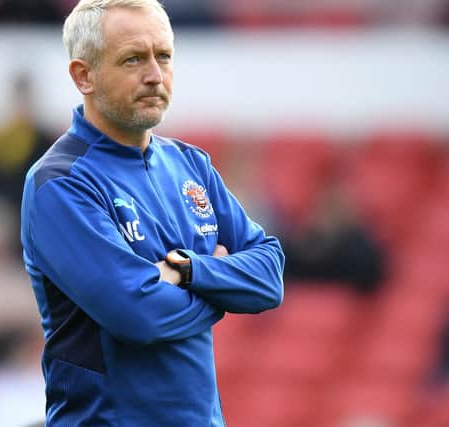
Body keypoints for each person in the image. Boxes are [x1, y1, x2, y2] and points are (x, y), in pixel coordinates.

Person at [20, 1, 285, 425]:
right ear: (83, 75)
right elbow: (137, 315)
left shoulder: (190, 164)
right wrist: (221, 293)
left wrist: (190, 272)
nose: (154, 76)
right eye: (133, 59)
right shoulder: (61, 183)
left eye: (163, 56)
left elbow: (269, 276)